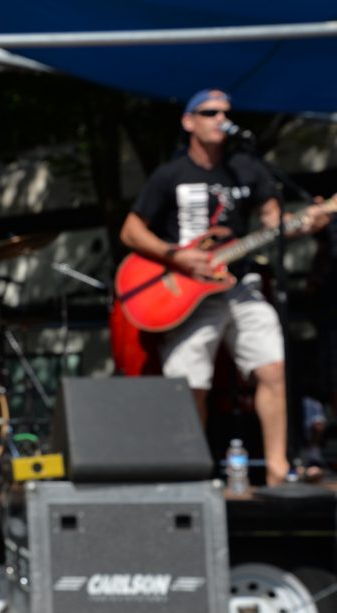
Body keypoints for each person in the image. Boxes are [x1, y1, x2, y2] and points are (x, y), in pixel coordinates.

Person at [120, 88, 329, 486]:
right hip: (189, 290)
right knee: (189, 379)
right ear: (189, 121)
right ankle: (191, 473)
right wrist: (175, 255)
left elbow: (274, 223)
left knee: (273, 368)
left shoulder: (248, 167)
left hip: (240, 283)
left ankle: (277, 470)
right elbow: (131, 231)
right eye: (210, 111)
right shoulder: (171, 174)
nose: (220, 118)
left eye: (225, 112)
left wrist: (308, 221)